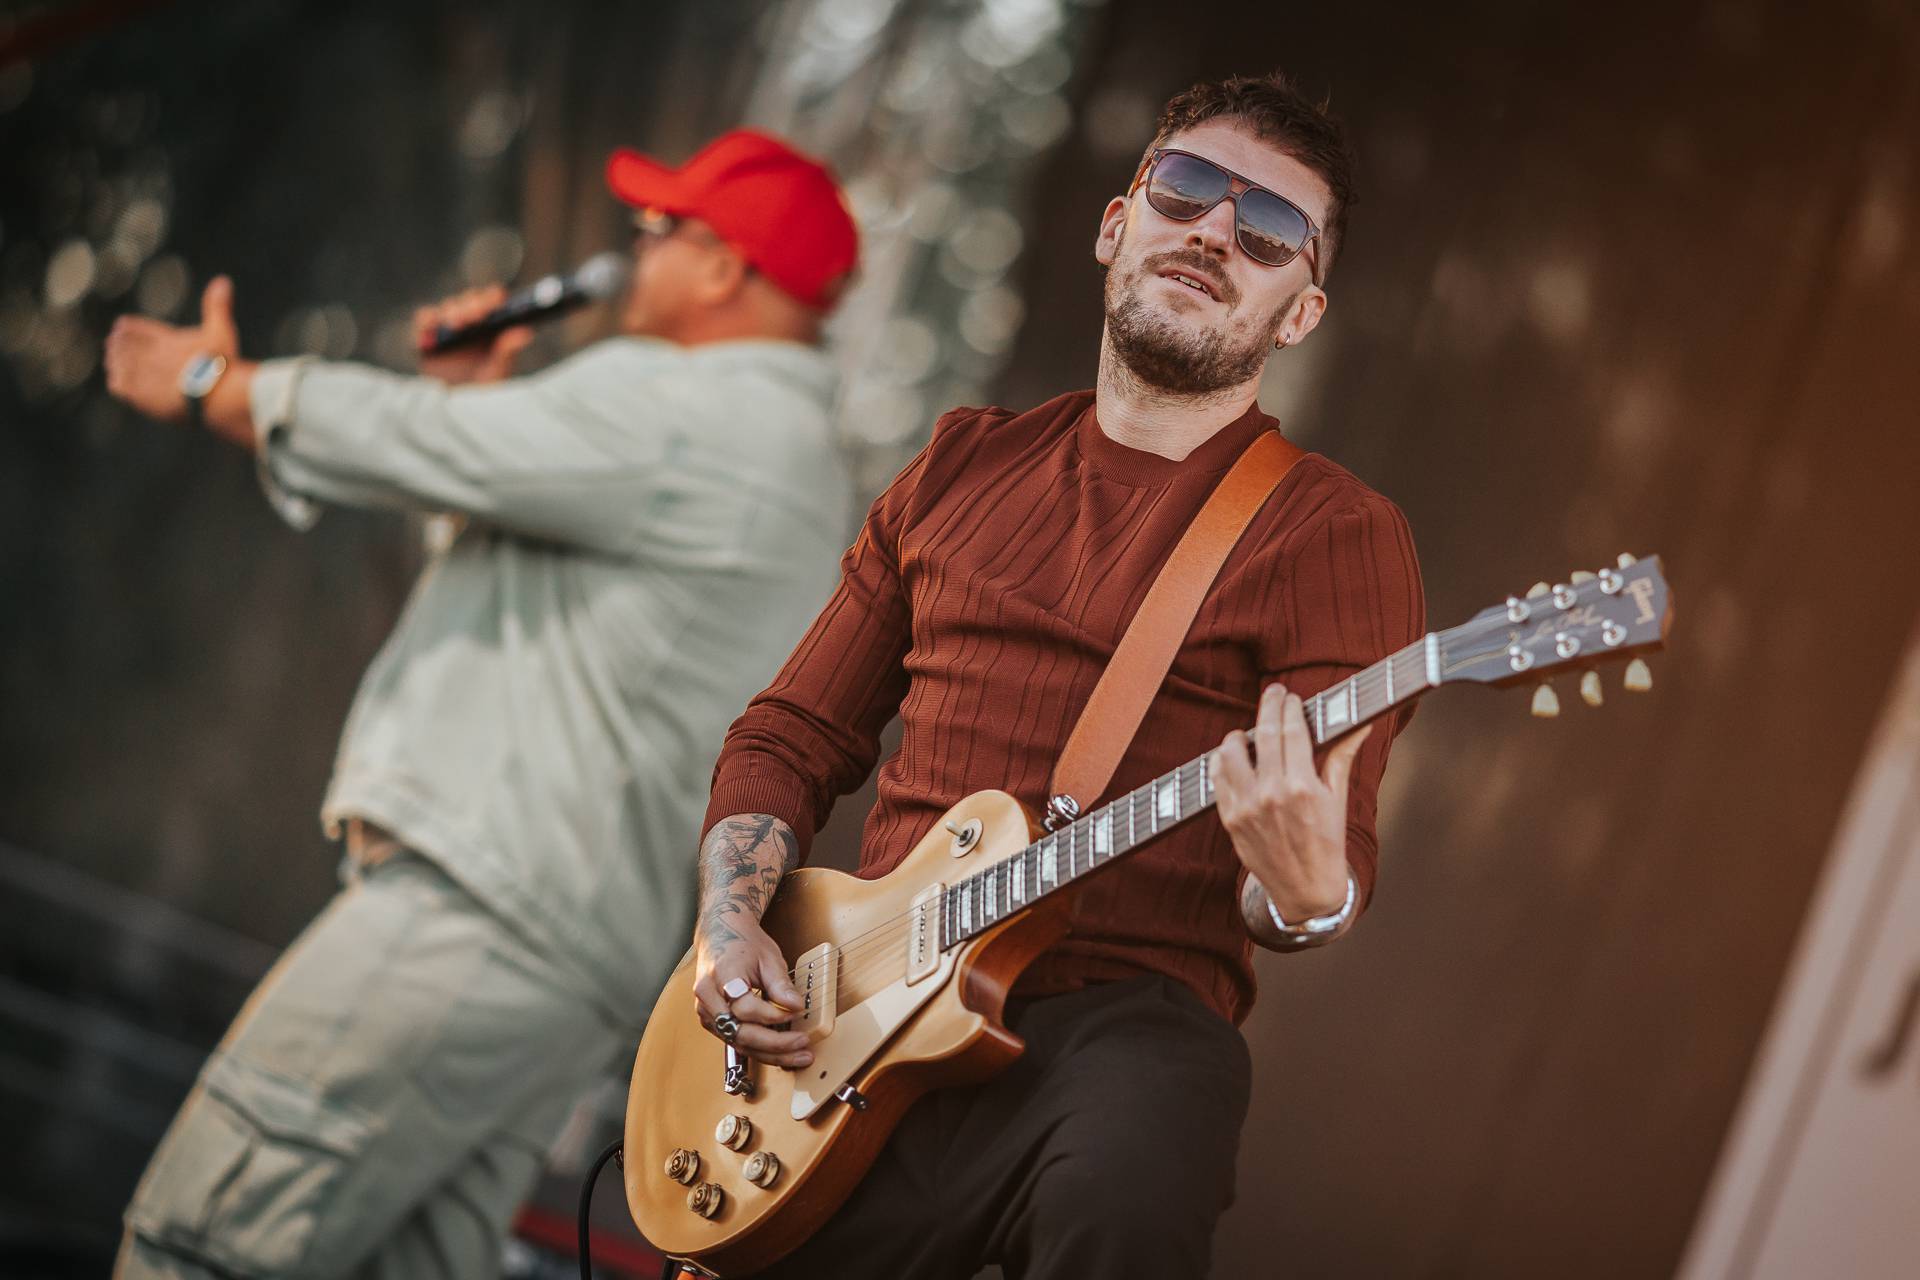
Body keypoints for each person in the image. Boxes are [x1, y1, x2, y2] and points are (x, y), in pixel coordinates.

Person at [689, 73, 1426, 1277]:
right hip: (867, 1006)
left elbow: (1321, 868)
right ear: (1116, 224)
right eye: (1187, 189)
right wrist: (730, 927)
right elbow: (790, 735)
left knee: (1133, 1183)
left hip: (1123, 1025)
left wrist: (1302, 892)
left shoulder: (1332, 533)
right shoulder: (960, 464)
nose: (1214, 232)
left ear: (1299, 314)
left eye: (1268, 230)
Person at [99, 128, 860, 1279]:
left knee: (201, 1242)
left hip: (473, 920)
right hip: (559, 956)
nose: (634, 249)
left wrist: (222, 387)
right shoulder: (791, 455)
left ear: (723, 266)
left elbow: (416, 443)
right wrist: (478, 408)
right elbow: (547, 582)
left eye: (658, 229)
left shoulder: (693, 403)